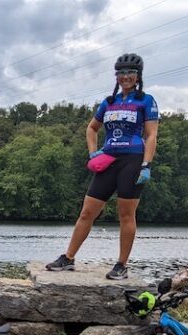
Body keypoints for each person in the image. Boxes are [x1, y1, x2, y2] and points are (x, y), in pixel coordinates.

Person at [46, 53, 159, 280]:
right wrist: (93, 152)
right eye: (121, 73)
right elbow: (91, 128)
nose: (125, 77)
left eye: (130, 73)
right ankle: (68, 258)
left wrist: (146, 165)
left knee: (126, 215)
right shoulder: (108, 102)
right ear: (116, 76)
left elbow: (151, 135)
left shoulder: (146, 101)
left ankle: (121, 265)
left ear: (138, 76)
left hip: (132, 160)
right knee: (87, 212)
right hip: (108, 161)